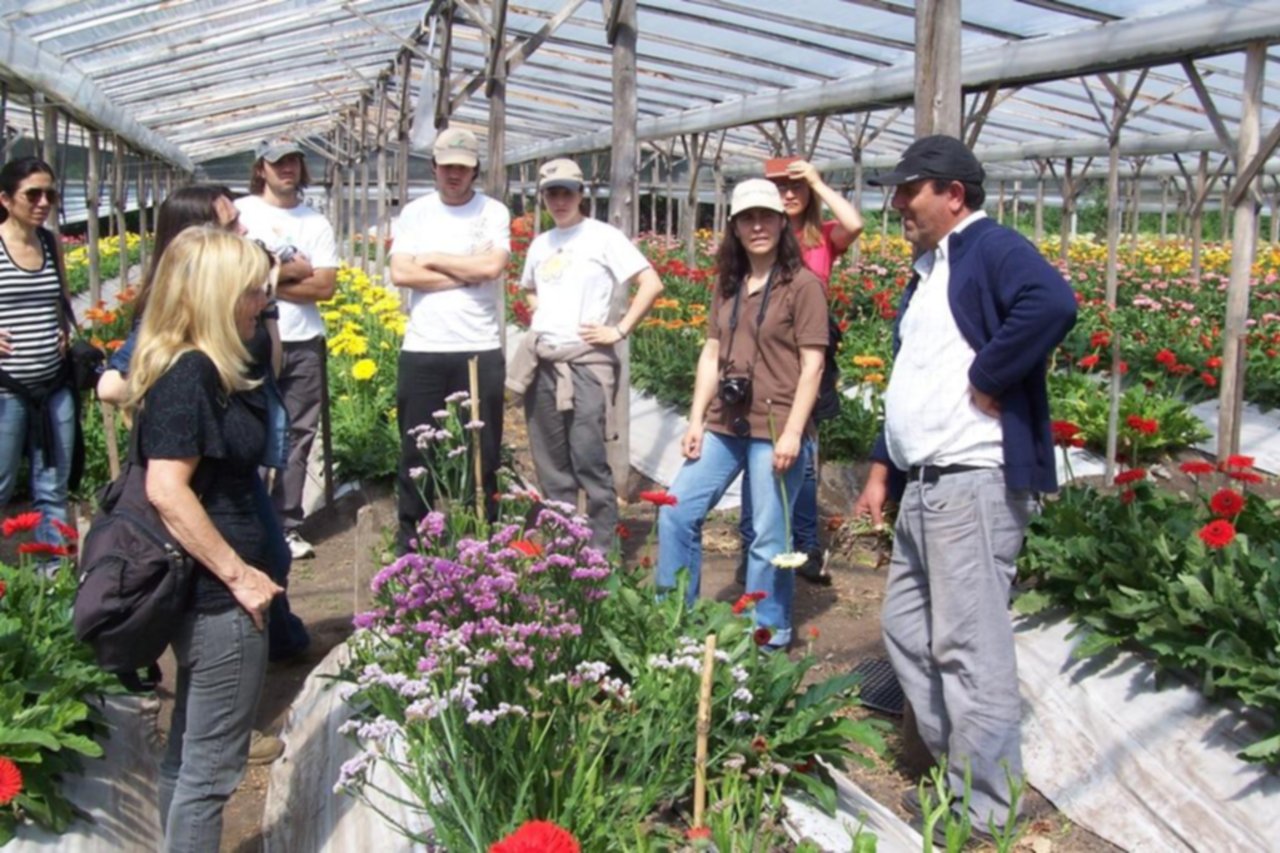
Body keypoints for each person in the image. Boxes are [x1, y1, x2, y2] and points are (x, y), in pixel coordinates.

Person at [852, 135, 1076, 837]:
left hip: (974, 480)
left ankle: (983, 809)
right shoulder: (929, 271)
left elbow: (1053, 303)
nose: (898, 205)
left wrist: (988, 376)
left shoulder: (990, 247)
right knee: (906, 629)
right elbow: (909, 375)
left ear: (954, 193)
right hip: (927, 486)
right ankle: (964, 774)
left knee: (969, 648)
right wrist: (883, 469)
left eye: (909, 190)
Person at [98, 184, 309, 673]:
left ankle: (274, 643)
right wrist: (172, 401)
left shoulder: (234, 316)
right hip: (210, 488)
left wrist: (266, 306)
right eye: (230, 223)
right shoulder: (187, 361)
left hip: (236, 462)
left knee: (270, 555)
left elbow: (270, 363)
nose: (243, 228)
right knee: (252, 569)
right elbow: (113, 385)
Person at [124, 226, 284, 852]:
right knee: (211, 775)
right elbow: (167, 488)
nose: (261, 302)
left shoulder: (203, 363)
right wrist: (240, 575)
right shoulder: (190, 374)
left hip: (209, 598)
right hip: (220, 603)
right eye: (251, 292)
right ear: (218, 295)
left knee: (188, 760)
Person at [656, 180, 827, 650]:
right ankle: (672, 618)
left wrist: (794, 433)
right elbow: (712, 351)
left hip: (776, 427)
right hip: (724, 422)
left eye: (766, 217)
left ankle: (767, 633)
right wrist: (694, 419)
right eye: (747, 218)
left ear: (782, 222)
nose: (758, 226)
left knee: (767, 537)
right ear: (733, 225)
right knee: (676, 513)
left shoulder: (803, 286)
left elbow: (813, 365)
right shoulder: (728, 283)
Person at [508, 158, 664, 550]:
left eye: (567, 192)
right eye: (551, 193)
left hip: (586, 363)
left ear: (581, 195)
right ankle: (564, 552)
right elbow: (528, 288)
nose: (559, 200)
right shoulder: (542, 244)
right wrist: (544, 312)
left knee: (589, 458)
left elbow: (651, 283)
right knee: (551, 465)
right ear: (543, 197)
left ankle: (600, 557)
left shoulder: (602, 237)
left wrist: (619, 329)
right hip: (543, 362)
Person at [737, 157, 865, 585]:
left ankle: (806, 545)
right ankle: (752, 544)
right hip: (765, 349)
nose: (789, 194)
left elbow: (855, 224)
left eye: (796, 187)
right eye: (779, 187)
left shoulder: (820, 237)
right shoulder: (761, 236)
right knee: (759, 449)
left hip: (810, 353)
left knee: (804, 455)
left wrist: (818, 181)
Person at [389, 127, 510, 551]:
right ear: (434, 167)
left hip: (478, 349)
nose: (454, 174)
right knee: (415, 452)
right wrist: (465, 273)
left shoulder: (492, 212)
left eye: (462, 167)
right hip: (423, 349)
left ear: (475, 169)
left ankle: (480, 540)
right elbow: (402, 273)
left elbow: (492, 267)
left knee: (481, 452)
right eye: (447, 166)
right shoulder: (415, 213)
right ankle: (412, 544)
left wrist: (435, 259)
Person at [237, 139, 338, 560]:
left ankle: (287, 526)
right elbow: (234, 275)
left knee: (299, 434)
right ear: (261, 168)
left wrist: (267, 278)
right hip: (249, 339)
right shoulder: (242, 212)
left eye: (293, 161)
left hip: (303, 343)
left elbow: (326, 287)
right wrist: (292, 272)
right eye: (277, 162)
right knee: (248, 431)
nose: (286, 169)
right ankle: (247, 522)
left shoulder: (316, 221)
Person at [0, 157, 76, 554]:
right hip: (6, 389)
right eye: (33, 194)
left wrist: (64, 331)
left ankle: (54, 579)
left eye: (50, 193)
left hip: (53, 386)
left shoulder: (49, 243)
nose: (43, 201)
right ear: (6, 199)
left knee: (52, 486)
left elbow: (59, 299)